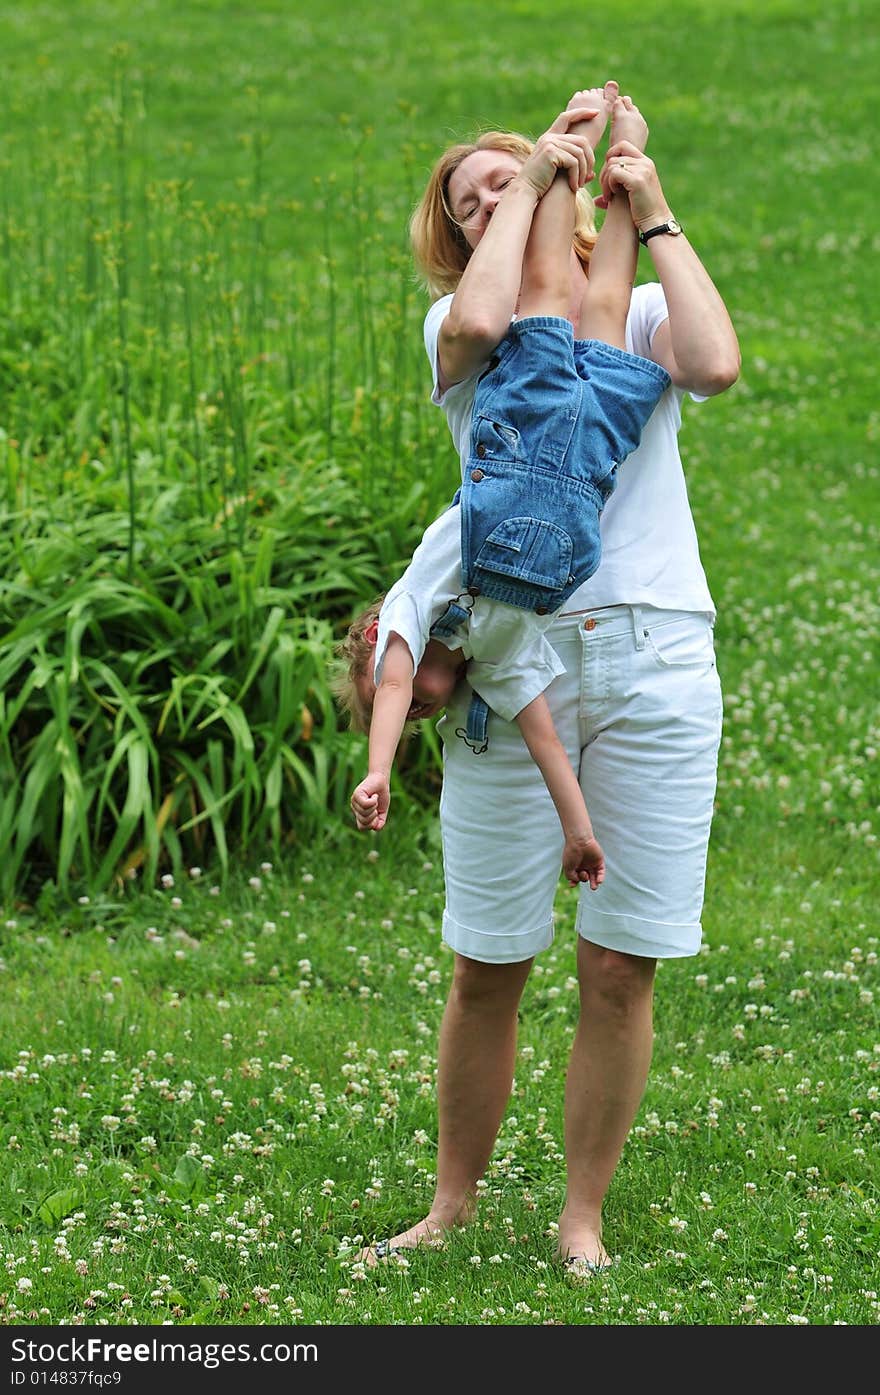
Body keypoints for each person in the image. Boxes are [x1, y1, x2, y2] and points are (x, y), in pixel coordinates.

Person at [348, 80, 740, 1278]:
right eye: (469, 200)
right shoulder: (455, 334)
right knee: (489, 960)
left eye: (505, 180)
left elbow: (715, 364)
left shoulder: (622, 328)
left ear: (566, 206)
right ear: (467, 229)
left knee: (622, 963)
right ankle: (451, 1204)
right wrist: (526, 181)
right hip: (520, 661)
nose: (487, 203)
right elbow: (477, 323)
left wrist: (649, 205)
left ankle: (581, 1216)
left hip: (658, 656)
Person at [339, 94, 669, 893]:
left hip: (521, 456)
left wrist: (377, 769)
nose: (423, 698)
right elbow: (547, 743)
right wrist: (579, 831)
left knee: (557, 294)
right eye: (468, 205)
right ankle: (618, 157)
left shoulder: (419, 603)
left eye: (414, 698)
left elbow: (388, 683)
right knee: (605, 302)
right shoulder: (498, 645)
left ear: (390, 638)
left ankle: (578, 145)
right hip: (581, 474)